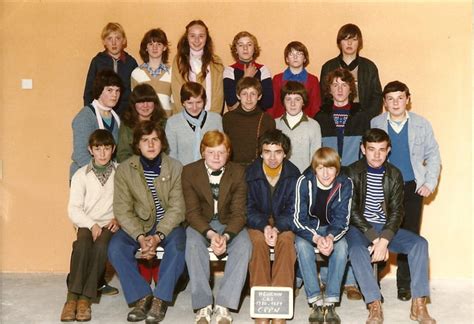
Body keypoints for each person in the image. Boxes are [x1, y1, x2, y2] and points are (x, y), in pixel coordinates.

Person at [345, 128, 436, 324]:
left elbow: (397, 211)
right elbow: (351, 212)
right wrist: (375, 239)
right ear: (363, 149)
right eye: (371, 149)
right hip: (359, 228)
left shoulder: (395, 174)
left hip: (386, 227)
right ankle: (374, 304)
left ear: (388, 151)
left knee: (420, 244)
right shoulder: (351, 172)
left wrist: (384, 239)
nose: (376, 155)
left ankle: (419, 304)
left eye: (381, 149)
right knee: (356, 249)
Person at [108, 121, 186, 323]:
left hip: (168, 226)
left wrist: (159, 235)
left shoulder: (175, 167)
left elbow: (178, 208)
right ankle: (142, 295)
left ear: (162, 143)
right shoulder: (125, 170)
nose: (150, 145)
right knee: (115, 248)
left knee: (178, 246)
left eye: (155, 140)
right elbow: (122, 209)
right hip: (138, 226)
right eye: (145, 140)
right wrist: (141, 236)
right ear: (137, 145)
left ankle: (160, 298)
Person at [370, 81, 441, 301]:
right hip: (382, 186)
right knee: (379, 233)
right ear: (384, 102)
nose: (396, 103)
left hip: (411, 186)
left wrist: (429, 182)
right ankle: (374, 282)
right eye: (390, 99)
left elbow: (434, 155)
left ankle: (404, 284)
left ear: (408, 99)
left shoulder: (421, 124)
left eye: (400, 97)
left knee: (409, 235)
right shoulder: (376, 122)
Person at [182, 130, 252, 324]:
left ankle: (224, 304)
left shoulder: (238, 172)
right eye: (211, 152)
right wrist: (211, 234)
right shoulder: (189, 171)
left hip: (229, 223)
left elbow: (239, 213)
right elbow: (192, 213)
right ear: (203, 151)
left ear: (228, 153)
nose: (216, 157)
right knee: (193, 243)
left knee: (244, 244)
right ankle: (203, 304)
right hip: (201, 224)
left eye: (221, 152)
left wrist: (227, 236)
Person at [61, 129, 120, 322]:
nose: (102, 153)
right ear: (90, 150)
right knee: (83, 244)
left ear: (113, 149)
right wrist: (91, 225)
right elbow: (74, 209)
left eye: (106, 148)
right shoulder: (81, 175)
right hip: (86, 222)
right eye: (97, 148)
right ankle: (71, 299)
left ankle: (85, 299)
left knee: (102, 245)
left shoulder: (120, 173)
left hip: (110, 224)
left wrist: (118, 218)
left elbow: (129, 202)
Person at [293, 147, 352, 324]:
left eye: (330, 168)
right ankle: (316, 301)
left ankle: (331, 301)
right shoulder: (304, 181)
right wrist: (317, 238)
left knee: (342, 248)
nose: (325, 173)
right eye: (320, 168)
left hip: (332, 229)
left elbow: (343, 219)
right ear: (314, 168)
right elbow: (297, 218)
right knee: (302, 246)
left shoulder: (345, 183)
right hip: (309, 229)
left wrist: (331, 237)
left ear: (337, 168)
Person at [246, 129, 299, 324]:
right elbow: (247, 208)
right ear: (260, 152)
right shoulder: (250, 173)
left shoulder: (294, 175)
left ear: (285, 153)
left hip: (283, 222)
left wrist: (276, 228)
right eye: (267, 152)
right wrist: (264, 226)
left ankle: (279, 309)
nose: (272, 157)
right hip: (257, 222)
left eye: (277, 152)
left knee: (286, 243)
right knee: (258, 244)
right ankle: (262, 308)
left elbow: (295, 210)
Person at [320, 23, 382, 119]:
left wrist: (366, 118)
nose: (349, 43)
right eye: (345, 39)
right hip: (335, 118)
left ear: (359, 42)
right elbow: (323, 96)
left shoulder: (370, 67)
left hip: (362, 119)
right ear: (339, 42)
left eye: (354, 39)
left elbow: (377, 98)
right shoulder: (328, 67)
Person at [71, 70, 123, 179]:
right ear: (99, 91)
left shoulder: (116, 118)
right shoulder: (85, 117)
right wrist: (101, 176)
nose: (114, 95)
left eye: (117, 91)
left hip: (107, 175)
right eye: (109, 90)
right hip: (84, 176)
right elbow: (81, 155)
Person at [315, 67, 370, 167]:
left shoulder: (361, 116)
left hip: (354, 170)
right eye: (335, 85)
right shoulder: (320, 117)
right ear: (330, 90)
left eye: (344, 85)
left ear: (350, 89)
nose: (340, 89)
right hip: (327, 169)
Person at [83, 22, 137, 116]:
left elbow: (136, 92)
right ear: (104, 42)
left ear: (124, 41)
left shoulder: (131, 63)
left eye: (118, 38)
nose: (114, 43)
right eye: (109, 39)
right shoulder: (97, 62)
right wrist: (91, 114)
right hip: (101, 113)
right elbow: (89, 92)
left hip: (125, 115)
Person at [171, 20, 224, 114]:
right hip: (184, 120)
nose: (197, 40)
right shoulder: (178, 61)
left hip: (210, 120)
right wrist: (187, 120)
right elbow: (177, 94)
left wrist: (210, 120)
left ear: (206, 38)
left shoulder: (216, 62)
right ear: (186, 38)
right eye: (192, 36)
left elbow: (218, 97)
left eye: (201, 36)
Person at [166, 82, 222, 165]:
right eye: (190, 103)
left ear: (205, 101)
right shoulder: (173, 123)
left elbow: (220, 149)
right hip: (183, 173)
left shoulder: (216, 119)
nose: (194, 107)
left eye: (199, 102)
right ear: (183, 103)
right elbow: (171, 156)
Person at [223, 77, 275, 166]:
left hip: (258, 168)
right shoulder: (228, 118)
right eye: (244, 94)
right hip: (233, 169)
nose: (248, 98)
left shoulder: (267, 120)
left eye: (253, 94)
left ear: (259, 96)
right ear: (238, 96)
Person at [275, 81, 321, 172]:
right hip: (280, 180)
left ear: (303, 102)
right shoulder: (275, 124)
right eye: (288, 99)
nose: (293, 104)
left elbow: (316, 159)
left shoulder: (313, 125)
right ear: (283, 102)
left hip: (304, 178)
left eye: (297, 99)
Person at [268, 41, 321, 118]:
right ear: (287, 59)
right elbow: (273, 106)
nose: (295, 57)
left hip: (305, 123)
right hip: (281, 123)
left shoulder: (313, 80)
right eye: (291, 54)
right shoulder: (277, 79)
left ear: (305, 59)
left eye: (299, 54)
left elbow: (315, 107)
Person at [117, 83, 167, 163]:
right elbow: (122, 154)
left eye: (149, 101)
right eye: (141, 102)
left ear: (155, 103)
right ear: (134, 104)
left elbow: (167, 152)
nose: (145, 106)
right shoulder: (126, 124)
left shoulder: (164, 123)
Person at [223, 31, 273, 111]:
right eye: (241, 45)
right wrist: (246, 78)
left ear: (254, 49)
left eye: (249, 45)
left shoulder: (263, 69)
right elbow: (231, 102)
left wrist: (240, 103)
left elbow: (268, 102)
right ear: (236, 49)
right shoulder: (229, 71)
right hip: (238, 118)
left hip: (258, 116)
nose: (245, 48)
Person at [131, 28, 173, 116]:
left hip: (167, 121)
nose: (155, 48)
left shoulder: (172, 72)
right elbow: (134, 102)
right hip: (144, 123)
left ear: (164, 47)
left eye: (159, 44)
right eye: (151, 44)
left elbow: (174, 101)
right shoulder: (136, 73)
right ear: (146, 48)